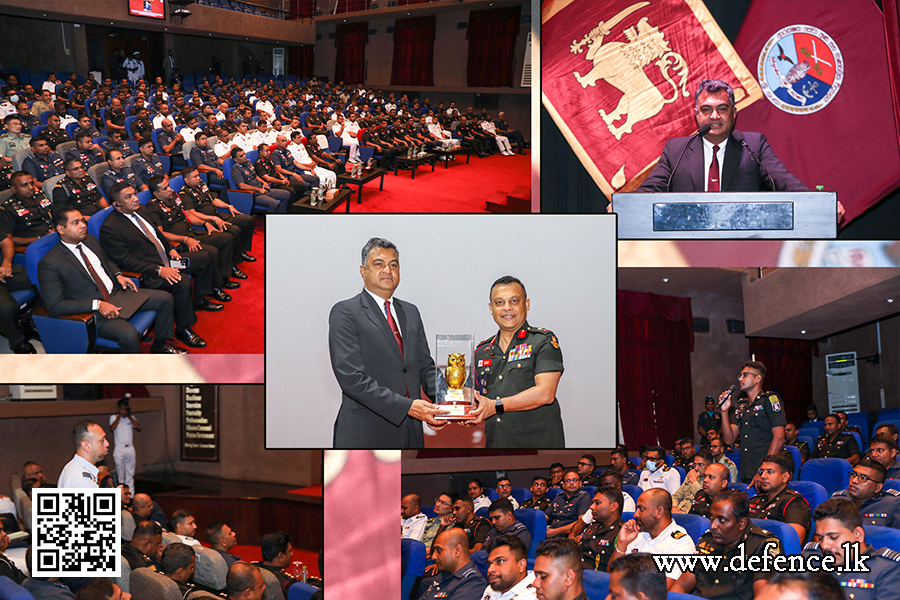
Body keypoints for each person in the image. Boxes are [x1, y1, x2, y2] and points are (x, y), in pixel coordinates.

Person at [632, 78, 844, 220]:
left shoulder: (752, 145)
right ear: (696, 114)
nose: (714, 116)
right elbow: (651, 188)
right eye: (706, 110)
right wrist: (624, 206)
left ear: (734, 113)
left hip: (743, 248)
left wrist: (820, 203)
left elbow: (783, 181)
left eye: (722, 109)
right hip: (687, 249)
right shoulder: (676, 150)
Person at [329, 237, 446, 448]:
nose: (387, 270)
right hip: (366, 432)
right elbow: (352, 378)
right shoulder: (345, 312)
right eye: (379, 264)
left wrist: (450, 400)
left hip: (411, 432)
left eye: (393, 265)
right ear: (363, 271)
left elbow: (424, 368)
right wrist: (407, 407)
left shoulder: (410, 311)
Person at [99, 182, 213, 348]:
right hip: (149, 272)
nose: (135, 199)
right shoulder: (110, 228)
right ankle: (183, 328)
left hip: (167, 260)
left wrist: (170, 249)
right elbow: (125, 261)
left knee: (203, 257)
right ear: (116, 204)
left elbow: (157, 234)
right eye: (128, 197)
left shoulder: (142, 210)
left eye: (134, 194)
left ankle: (199, 300)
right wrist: (159, 270)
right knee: (181, 282)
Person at [470, 276, 565, 447]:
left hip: (536, 443)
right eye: (499, 303)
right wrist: (463, 411)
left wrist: (496, 406)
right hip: (496, 442)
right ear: (491, 308)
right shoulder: (482, 351)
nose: (507, 308)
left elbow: (546, 393)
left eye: (514, 301)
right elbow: (477, 397)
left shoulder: (542, 341)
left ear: (526, 304)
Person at [671, 490, 783, 599]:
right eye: (712, 518)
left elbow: (764, 596)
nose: (713, 526)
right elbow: (681, 585)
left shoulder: (763, 545)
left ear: (742, 523)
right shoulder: (707, 541)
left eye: (722, 520)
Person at [147, 174, 244, 289]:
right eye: (165, 188)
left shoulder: (173, 197)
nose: (170, 189)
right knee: (211, 252)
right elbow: (160, 234)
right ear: (156, 194)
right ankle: (215, 288)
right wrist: (185, 239)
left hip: (192, 233)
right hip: (180, 244)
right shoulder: (153, 208)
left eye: (168, 186)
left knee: (226, 238)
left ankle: (224, 277)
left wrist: (205, 223)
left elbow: (187, 214)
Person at [802, 498, 900, 600]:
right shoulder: (811, 558)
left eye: (833, 537)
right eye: (820, 538)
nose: (824, 546)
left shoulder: (887, 570)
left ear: (858, 534)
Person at [606, 489, 694, 590]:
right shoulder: (636, 535)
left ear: (659, 512)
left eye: (641, 509)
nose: (635, 515)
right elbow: (611, 574)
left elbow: (662, 589)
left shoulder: (681, 544)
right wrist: (622, 543)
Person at [718, 360, 787, 486]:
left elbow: (779, 437)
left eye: (745, 375)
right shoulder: (741, 405)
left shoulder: (769, 400)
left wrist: (763, 470)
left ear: (757, 379)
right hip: (746, 469)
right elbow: (729, 439)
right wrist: (724, 411)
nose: (740, 379)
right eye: (740, 375)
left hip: (766, 470)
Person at [178, 166, 255, 262]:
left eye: (198, 175)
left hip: (218, 215)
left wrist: (228, 206)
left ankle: (241, 250)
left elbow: (213, 200)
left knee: (248, 220)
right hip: (207, 221)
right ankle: (235, 259)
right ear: (187, 180)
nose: (199, 178)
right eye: (195, 176)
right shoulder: (185, 193)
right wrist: (213, 218)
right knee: (234, 230)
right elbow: (192, 213)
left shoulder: (201, 184)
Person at [747, 454, 811, 543]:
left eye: (770, 472)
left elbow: (793, 542)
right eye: (762, 472)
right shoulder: (754, 500)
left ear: (784, 477)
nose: (763, 476)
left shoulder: (793, 503)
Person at [416, 529, 486, 600]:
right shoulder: (444, 574)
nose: (434, 557)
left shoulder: (473, 583)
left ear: (457, 550)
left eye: (439, 550)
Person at [831, 458, 899, 528]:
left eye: (863, 478)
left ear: (877, 487)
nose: (854, 480)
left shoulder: (894, 504)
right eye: (854, 474)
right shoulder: (837, 499)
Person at [572, 487, 624, 571]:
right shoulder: (593, 527)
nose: (591, 507)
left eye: (597, 503)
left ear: (613, 506)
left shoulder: (621, 533)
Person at [230, 148, 290, 213]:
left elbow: (255, 175)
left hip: (261, 188)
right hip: (253, 194)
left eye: (244, 154)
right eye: (241, 156)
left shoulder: (248, 162)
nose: (244, 156)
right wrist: (259, 190)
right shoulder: (236, 169)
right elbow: (242, 186)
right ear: (235, 159)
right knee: (274, 203)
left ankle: (280, 216)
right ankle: (270, 221)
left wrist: (264, 182)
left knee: (286, 194)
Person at [58, 420, 109, 488]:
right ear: (86, 446)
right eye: (102, 440)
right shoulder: (82, 480)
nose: (107, 443)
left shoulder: (72, 467)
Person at [483, 535, 536, 600]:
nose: (490, 569)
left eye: (500, 561)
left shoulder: (537, 594)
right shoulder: (491, 589)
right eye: (490, 564)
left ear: (521, 565)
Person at [546, 472, 591, 538]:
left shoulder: (584, 497)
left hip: (566, 536)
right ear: (563, 485)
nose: (571, 483)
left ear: (580, 483)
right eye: (568, 481)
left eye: (575, 480)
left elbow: (581, 522)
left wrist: (556, 531)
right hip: (552, 532)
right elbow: (545, 517)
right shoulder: (559, 497)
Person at [109, 397, 141, 491]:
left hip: (130, 448)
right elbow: (112, 428)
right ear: (119, 408)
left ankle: (130, 494)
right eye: (122, 408)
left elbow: (139, 427)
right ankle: (121, 494)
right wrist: (120, 415)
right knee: (120, 474)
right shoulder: (114, 417)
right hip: (119, 448)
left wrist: (129, 416)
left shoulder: (130, 418)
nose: (124, 410)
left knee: (130, 474)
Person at [256, 532, 299, 600]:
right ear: (281, 556)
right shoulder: (286, 584)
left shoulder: (252, 569)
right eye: (289, 551)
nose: (292, 554)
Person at [672, 449, 712, 513]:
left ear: (710, 465)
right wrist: (674, 507)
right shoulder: (691, 475)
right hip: (680, 511)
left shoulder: (711, 480)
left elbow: (703, 499)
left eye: (700, 465)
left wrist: (694, 481)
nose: (696, 468)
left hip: (694, 513)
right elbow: (676, 496)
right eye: (695, 464)